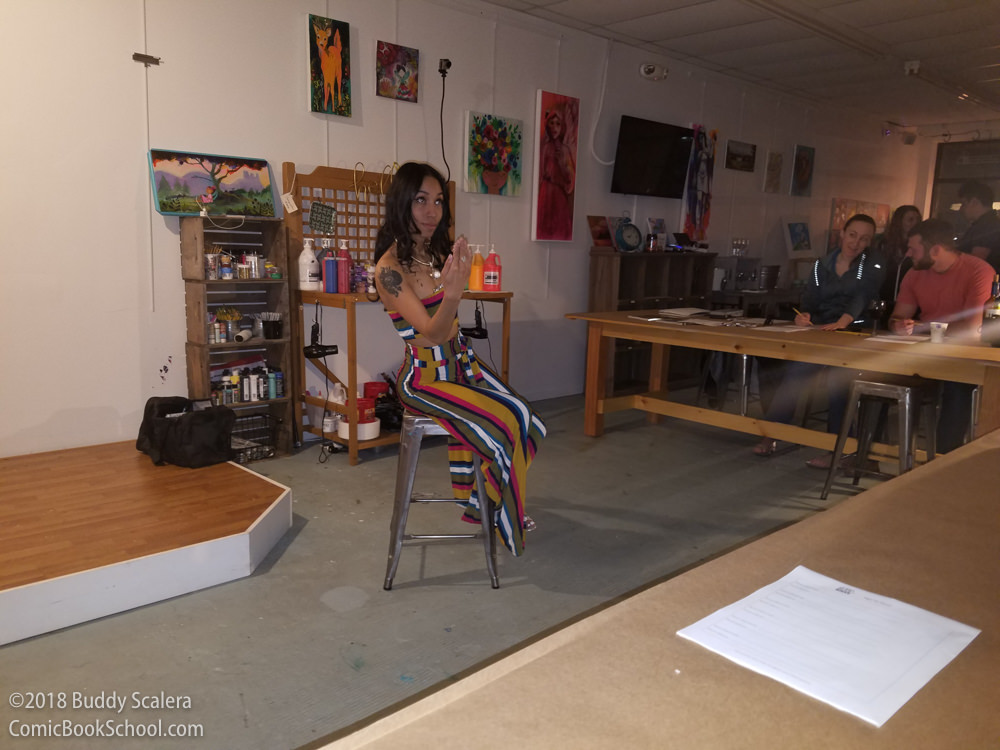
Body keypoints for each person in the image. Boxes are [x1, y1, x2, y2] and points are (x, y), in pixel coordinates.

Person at [373, 162, 546, 556]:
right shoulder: (388, 270)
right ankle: (502, 512)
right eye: (421, 200)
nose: (432, 211)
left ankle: (487, 499)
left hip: (460, 362)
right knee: (508, 423)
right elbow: (432, 333)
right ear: (401, 202)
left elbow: (449, 327)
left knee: (530, 421)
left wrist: (456, 282)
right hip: (425, 378)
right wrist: (453, 292)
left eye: (438, 201)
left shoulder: (433, 252)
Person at [754, 214, 885, 466]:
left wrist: (844, 321)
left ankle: (838, 448)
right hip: (822, 332)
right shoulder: (821, 265)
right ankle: (772, 434)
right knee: (796, 372)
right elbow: (810, 301)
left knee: (839, 379)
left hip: (855, 332)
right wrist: (804, 316)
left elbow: (863, 295)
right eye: (852, 235)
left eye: (864, 239)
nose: (856, 243)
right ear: (842, 234)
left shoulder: (873, 263)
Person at [889, 218, 994, 452]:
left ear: (935, 250)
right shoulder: (914, 273)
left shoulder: (979, 271)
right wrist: (899, 326)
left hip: (963, 355)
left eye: (913, 249)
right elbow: (897, 317)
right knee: (880, 375)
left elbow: (971, 329)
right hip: (923, 354)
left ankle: (944, 461)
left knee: (957, 387)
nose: (908, 254)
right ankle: (868, 453)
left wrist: (922, 327)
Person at [871, 204, 921, 306]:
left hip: (909, 303)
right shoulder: (883, 244)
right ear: (899, 222)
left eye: (918, 219)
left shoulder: (920, 247)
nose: (915, 223)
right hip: (883, 299)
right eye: (910, 220)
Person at [955, 181, 1000, 273]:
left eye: (964, 203)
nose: (961, 208)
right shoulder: (988, 224)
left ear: (974, 202)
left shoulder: (986, 226)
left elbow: (976, 261)